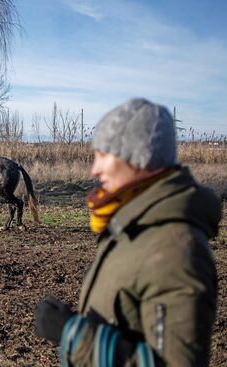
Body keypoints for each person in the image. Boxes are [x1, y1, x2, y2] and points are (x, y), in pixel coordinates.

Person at [34, 98, 221, 366]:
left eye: (103, 155)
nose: (94, 169)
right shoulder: (132, 228)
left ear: (139, 158)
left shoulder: (175, 250)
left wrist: (74, 335)